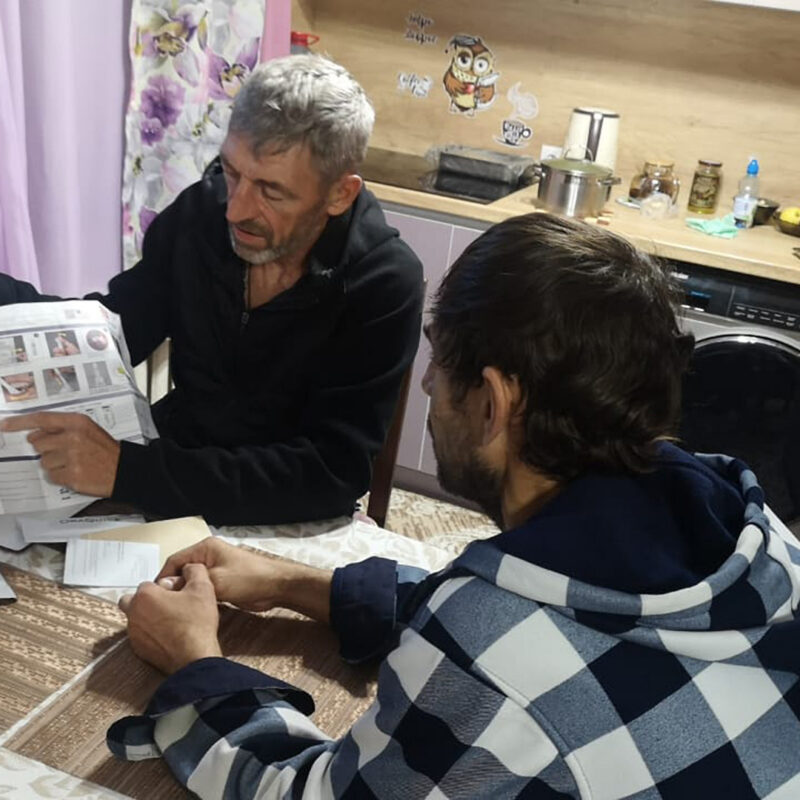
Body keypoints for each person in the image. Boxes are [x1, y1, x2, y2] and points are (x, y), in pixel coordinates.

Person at [109, 213, 800, 798]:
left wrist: (195, 662)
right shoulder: (748, 526)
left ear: (493, 403)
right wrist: (293, 583)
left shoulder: (487, 653)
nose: (429, 388)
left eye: (438, 363)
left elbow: (309, 791)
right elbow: (560, 620)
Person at [0, 55, 424, 526]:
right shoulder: (201, 213)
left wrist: (128, 471)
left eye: (271, 191)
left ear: (340, 194)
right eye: (232, 171)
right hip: (171, 473)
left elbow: (330, 471)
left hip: (287, 510)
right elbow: (113, 331)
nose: (235, 209)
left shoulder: (383, 283)